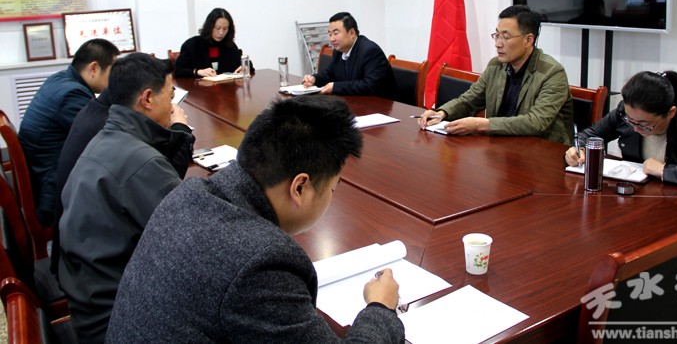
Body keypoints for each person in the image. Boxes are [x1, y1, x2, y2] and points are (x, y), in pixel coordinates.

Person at [106, 95, 404, 343]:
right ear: (300, 187)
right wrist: (381, 308)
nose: (332, 195)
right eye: (333, 187)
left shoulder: (187, 194)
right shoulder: (260, 263)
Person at [58, 53, 192, 343]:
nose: (173, 105)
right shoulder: (140, 162)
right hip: (116, 318)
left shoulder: (104, 138)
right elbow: (192, 239)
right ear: (147, 98)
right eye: (170, 96)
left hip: (87, 302)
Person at [418, 5, 574, 145]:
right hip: (502, 147)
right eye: (497, 35)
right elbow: (469, 101)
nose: (498, 43)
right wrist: (442, 113)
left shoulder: (552, 73)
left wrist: (481, 124)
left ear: (528, 40)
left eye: (505, 37)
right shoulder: (496, 66)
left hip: (543, 153)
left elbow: (536, 122)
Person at [565, 70, 677, 192]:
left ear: (671, 113)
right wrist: (578, 149)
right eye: (631, 120)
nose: (635, 128)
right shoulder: (625, 113)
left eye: (644, 124)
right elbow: (588, 135)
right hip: (640, 196)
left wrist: (664, 170)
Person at [18, 38, 120, 226]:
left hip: (42, 175)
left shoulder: (60, 79)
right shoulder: (72, 95)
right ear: (93, 68)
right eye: (112, 71)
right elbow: (107, 136)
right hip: (51, 192)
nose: (115, 79)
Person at [302, 12, 396, 98]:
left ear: (352, 33)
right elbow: (329, 73)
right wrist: (314, 79)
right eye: (330, 34)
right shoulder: (338, 51)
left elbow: (370, 85)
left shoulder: (370, 51)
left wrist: (335, 87)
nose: (331, 39)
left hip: (380, 104)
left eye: (335, 33)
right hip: (355, 101)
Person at [175, 7, 251, 78]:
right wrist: (197, 72)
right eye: (217, 28)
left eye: (225, 29)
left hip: (226, 87)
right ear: (210, 27)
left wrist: (245, 67)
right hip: (199, 87)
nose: (221, 32)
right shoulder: (192, 45)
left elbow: (245, 64)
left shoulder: (229, 45)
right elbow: (178, 70)